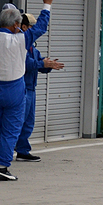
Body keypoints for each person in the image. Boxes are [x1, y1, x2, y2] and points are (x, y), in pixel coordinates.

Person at [0, 0, 53, 181]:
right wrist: (47, 5)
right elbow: (41, 27)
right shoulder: (20, 40)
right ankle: (3, 167)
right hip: (15, 88)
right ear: (16, 25)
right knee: (11, 130)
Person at [15, 13, 64, 162]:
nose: (33, 30)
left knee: (28, 122)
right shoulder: (20, 44)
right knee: (17, 121)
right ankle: (4, 150)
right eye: (31, 26)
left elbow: (38, 62)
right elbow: (27, 64)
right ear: (24, 27)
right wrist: (43, 64)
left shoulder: (32, 48)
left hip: (31, 88)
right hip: (21, 88)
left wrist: (47, 65)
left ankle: (22, 150)